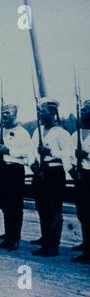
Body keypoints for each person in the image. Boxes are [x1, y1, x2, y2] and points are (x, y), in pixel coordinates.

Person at [30, 98, 72, 257]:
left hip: (54, 173)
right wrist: (33, 164)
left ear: (54, 113)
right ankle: (45, 239)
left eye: (44, 111)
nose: (41, 114)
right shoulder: (37, 131)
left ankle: (53, 244)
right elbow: (31, 150)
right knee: (42, 208)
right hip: (40, 172)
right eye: (40, 111)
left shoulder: (61, 133)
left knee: (54, 209)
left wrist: (50, 153)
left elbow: (67, 155)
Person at [0, 104, 31, 251]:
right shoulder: (0, 132)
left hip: (15, 171)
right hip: (3, 171)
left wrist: (9, 150)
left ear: (15, 115)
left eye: (8, 113)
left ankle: (14, 238)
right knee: (4, 204)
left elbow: (27, 152)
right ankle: (8, 235)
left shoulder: (22, 132)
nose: (5, 116)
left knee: (14, 205)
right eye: (3, 113)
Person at [70, 99, 90, 264]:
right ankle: (86, 242)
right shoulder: (77, 133)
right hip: (81, 175)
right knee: (83, 211)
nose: (83, 114)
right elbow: (70, 154)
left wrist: (87, 156)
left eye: (86, 111)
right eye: (82, 111)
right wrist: (72, 169)